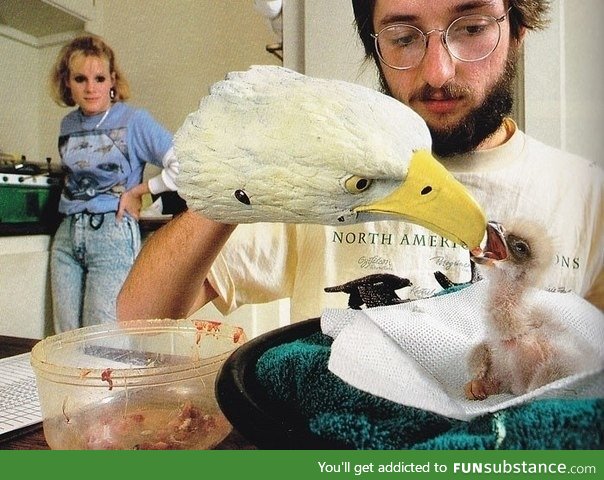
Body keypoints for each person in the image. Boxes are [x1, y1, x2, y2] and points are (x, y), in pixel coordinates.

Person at [117, 0, 603, 326]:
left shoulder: (590, 197)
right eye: (404, 37)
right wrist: (240, 172)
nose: (438, 71)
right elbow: (140, 316)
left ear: (517, 29)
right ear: (375, 46)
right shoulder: (309, 187)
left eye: (472, 28)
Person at [49, 34, 179, 333]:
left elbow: (183, 163)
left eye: (99, 78)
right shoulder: (67, 124)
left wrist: (142, 191)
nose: (90, 87)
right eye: (80, 78)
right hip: (67, 234)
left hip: (112, 233)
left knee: (103, 337)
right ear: (67, 82)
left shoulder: (134, 121)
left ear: (112, 80)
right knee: (64, 337)